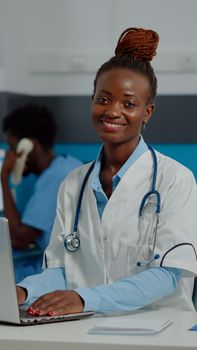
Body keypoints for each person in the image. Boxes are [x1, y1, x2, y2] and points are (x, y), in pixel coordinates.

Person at [16, 28, 197, 316]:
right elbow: (63, 269)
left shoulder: (175, 180)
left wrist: (86, 299)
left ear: (147, 112)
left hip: (160, 331)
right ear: (92, 101)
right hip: (86, 328)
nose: (112, 111)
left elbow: (167, 275)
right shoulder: (73, 183)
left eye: (128, 103)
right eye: (103, 99)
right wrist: (25, 291)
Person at [1, 103, 82, 283]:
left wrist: (4, 177)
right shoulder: (68, 165)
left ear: (28, 146)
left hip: (60, 275)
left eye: (13, 148)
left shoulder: (56, 178)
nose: (10, 156)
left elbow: (19, 238)